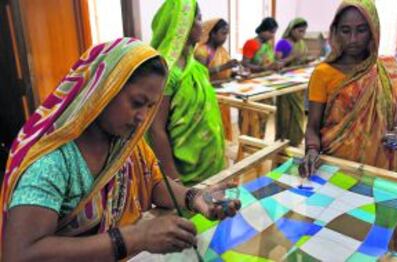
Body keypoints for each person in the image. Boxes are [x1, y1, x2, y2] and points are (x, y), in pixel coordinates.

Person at [1, 38, 239, 261]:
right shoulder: (53, 162)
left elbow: (154, 184)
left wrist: (195, 198)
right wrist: (136, 237)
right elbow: (20, 253)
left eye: (150, 106)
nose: (142, 117)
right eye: (137, 103)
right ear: (104, 90)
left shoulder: (124, 144)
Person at [301, 0, 397, 177]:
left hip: (378, 165)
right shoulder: (323, 73)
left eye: (362, 30)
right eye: (345, 31)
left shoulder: (389, 69)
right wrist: (311, 150)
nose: (353, 39)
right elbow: (313, 127)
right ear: (335, 32)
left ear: (373, 31)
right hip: (336, 165)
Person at [149, 0, 226, 186]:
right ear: (182, 23)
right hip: (184, 174)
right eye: (199, 19)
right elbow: (155, 129)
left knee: (212, 211)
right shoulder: (167, 73)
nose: (203, 24)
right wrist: (174, 181)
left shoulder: (197, 69)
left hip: (209, 165)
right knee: (191, 213)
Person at [195, 18, 237, 141]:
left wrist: (232, 73)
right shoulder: (202, 51)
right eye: (223, 33)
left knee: (223, 127)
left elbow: (223, 71)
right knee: (212, 129)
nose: (225, 37)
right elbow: (201, 73)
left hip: (223, 93)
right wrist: (224, 67)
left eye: (227, 34)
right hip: (209, 95)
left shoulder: (221, 50)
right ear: (212, 33)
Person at [274, 18, 309, 147]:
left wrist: (306, 60)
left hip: (298, 83)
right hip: (285, 83)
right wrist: (292, 58)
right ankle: (283, 141)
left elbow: (302, 59)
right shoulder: (283, 43)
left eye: (304, 32)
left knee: (298, 113)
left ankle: (295, 141)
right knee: (285, 114)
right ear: (292, 30)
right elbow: (278, 64)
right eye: (300, 31)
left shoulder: (302, 43)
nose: (302, 35)